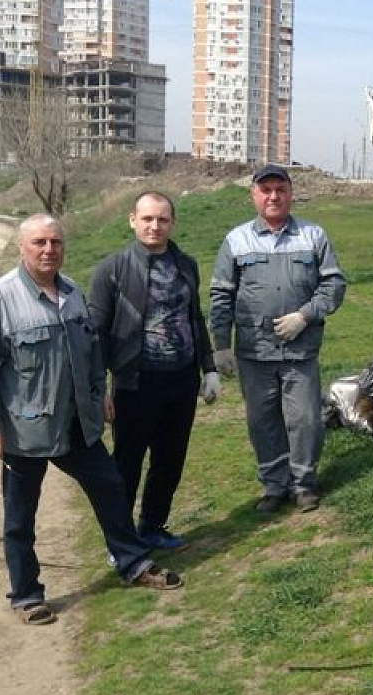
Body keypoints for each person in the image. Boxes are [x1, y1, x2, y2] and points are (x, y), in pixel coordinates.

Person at [0, 213, 183, 627]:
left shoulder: (72, 293)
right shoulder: (0, 300)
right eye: (40, 243)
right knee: (19, 517)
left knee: (111, 489)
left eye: (56, 243)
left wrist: (99, 398)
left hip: (76, 423)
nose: (49, 251)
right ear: (22, 248)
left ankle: (133, 563)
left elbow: (91, 355)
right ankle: (27, 595)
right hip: (24, 430)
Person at [88, 191, 221, 550]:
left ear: (172, 223)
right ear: (132, 220)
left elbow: (195, 318)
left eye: (162, 219)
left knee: (170, 461)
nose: (154, 226)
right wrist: (98, 390)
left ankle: (153, 526)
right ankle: (122, 541)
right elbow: (96, 334)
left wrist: (209, 368)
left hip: (181, 381)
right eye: (147, 219)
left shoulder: (186, 265)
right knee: (126, 465)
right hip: (135, 384)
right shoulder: (111, 270)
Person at [210, 165, 347, 514]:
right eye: (266, 190)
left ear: (290, 193)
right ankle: (273, 485)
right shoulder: (236, 240)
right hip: (254, 351)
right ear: (254, 195)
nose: (273, 196)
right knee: (262, 421)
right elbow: (221, 293)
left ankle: (303, 484)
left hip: (300, 350)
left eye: (280, 189)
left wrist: (305, 315)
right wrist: (221, 345)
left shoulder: (313, 235)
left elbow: (333, 284)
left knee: (305, 420)